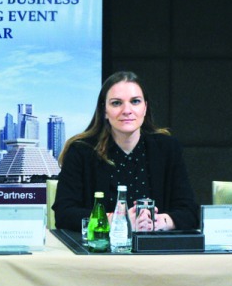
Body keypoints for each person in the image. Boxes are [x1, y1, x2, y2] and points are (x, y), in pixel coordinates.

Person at [53, 71, 199, 232]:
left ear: (145, 108)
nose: (127, 110)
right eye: (116, 103)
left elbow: (190, 212)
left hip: (155, 252)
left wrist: (160, 222)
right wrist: (116, 220)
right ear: (104, 111)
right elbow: (64, 214)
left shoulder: (167, 149)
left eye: (135, 101)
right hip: (99, 252)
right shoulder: (81, 151)